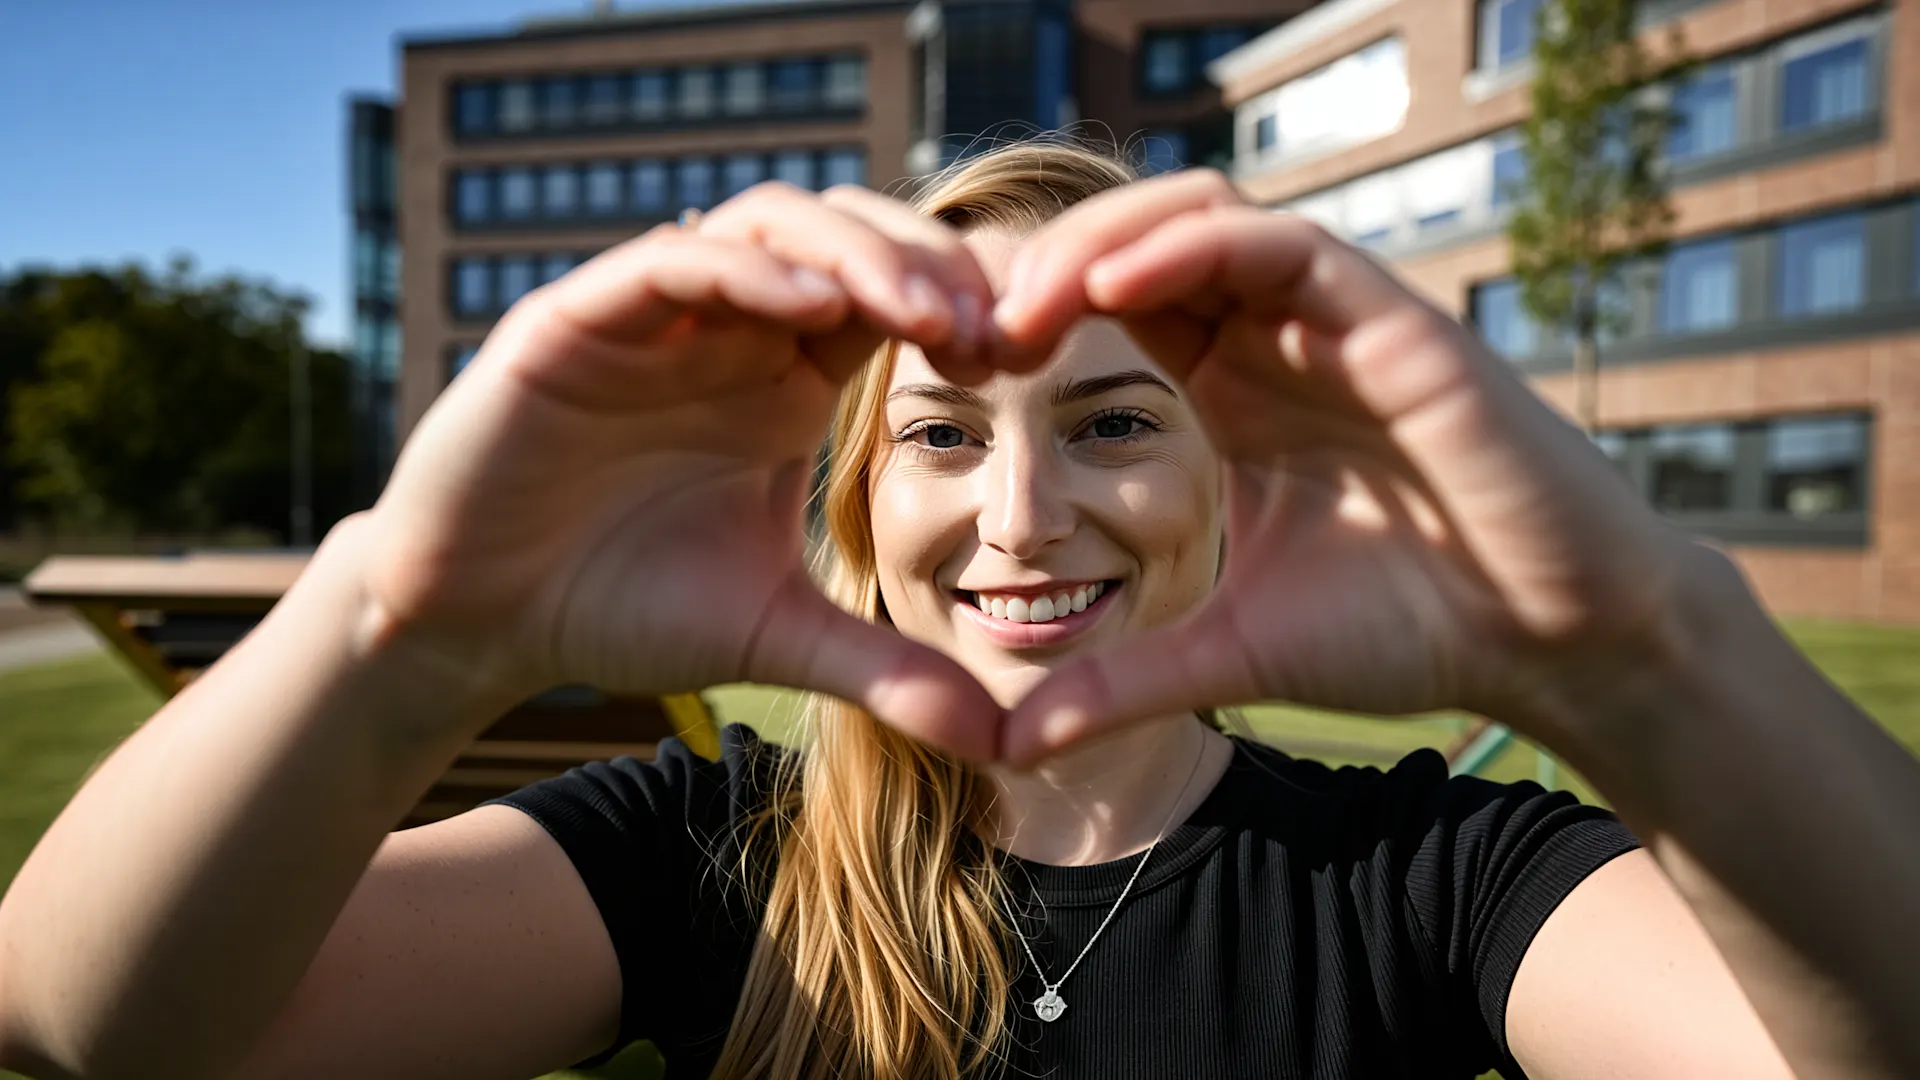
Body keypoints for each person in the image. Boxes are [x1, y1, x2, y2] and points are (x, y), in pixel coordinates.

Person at [0, 141, 1915, 1080]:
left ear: (1232, 486)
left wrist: (1639, 650)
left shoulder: (1428, 876)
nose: (1023, 510)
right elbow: (97, 1024)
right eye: (938, 434)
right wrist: (396, 623)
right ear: (852, 500)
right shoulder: (703, 856)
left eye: (1111, 422)